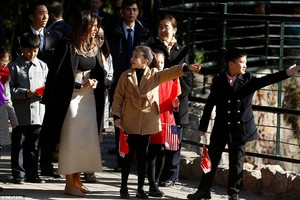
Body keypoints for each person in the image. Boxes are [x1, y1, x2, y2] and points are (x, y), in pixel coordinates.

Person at [187, 48, 300, 200]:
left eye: (246, 62)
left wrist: (287, 72)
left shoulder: (248, 79)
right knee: (211, 160)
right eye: (242, 62)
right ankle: (203, 190)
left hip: (239, 129)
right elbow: (209, 104)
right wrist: (203, 126)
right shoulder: (219, 79)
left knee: (236, 163)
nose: (245, 65)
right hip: (220, 128)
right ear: (231, 64)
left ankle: (233, 194)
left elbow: (266, 79)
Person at [111, 45, 201, 199]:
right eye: (132, 56)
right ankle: (123, 187)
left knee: (143, 156)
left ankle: (140, 189)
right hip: (130, 120)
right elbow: (118, 97)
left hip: (147, 120)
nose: (132, 59)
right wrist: (116, 116)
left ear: (145, 61)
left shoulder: (154, 74)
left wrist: (186, 67)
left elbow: (170, 72)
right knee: (128, 155)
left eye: (136, 57)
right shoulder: (125, 76)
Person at [41, 11, 104, 197]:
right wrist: (79, 84)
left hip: (88, 99)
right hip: (70, 99)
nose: (96, 31)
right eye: (93, 27)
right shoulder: (66, 45)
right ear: (84, 26)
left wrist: (96, 82)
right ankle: (69, 183)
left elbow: (97, 70)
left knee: (84, 141)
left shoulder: (92, 46)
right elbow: (58, 77)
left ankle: (77, 180)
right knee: (71, 141)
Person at [106, 0, 152, 172]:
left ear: (138, 12)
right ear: (122, 11)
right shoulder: (113, 30)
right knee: (119, 120)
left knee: (139, 120)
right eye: (128, 9)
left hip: (139, 81)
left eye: (134, 10)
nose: (131, 13)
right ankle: (122, 159)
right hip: (120, 79)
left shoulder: (144, 31)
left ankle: (138, 159)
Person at [149, 14, 191, 187]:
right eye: (160, 26)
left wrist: (177, 95)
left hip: (176, 102)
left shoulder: (182, 50)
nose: (163, 30)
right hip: (156, 101)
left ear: (175, 30)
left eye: (166, 27)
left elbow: (188, 79)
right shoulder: (151, 47)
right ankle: (154, 175)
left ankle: (171, 175)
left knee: (174, 140)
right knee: (156, 140)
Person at [9, 33, 48, 184]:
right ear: (21, 49)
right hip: (20, 113)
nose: (32, 54)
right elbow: (9, 89)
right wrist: (25, 93)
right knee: (19, 143)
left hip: (38, 113)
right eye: (28, 50)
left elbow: (48, 87)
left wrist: (43, 93)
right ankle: (18, 173)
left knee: (34, 145)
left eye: (35, 50)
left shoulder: (43, 66)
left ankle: (32, 173)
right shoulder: (13, 67)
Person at [146, 49, 181, 197]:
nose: (159, 65)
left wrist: (176, 103)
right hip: (153, 117)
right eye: (156, 62)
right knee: (153, 152)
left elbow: (175, 98)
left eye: (161, 62)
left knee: (163, 152)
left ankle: (156, 181)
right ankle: (152, 183)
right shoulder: (148, 76)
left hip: (167, 117)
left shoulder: (170, 76)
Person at [83, 25, 114, 183]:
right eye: (97, 37)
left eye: (102, 37)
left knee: (97, 137)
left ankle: (91, 169)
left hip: (102, 99)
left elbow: (111, 73)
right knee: (87, 135)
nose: (99, 40)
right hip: (88, 98)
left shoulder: (106, 54)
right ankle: (84, 168)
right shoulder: (87, 53)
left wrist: (108, 80)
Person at [0, 46, 18, 190]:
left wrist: (13, 118)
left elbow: (7, 98)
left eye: (6, 63)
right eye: (2, 63)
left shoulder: (5, 74)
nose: (4, 66)